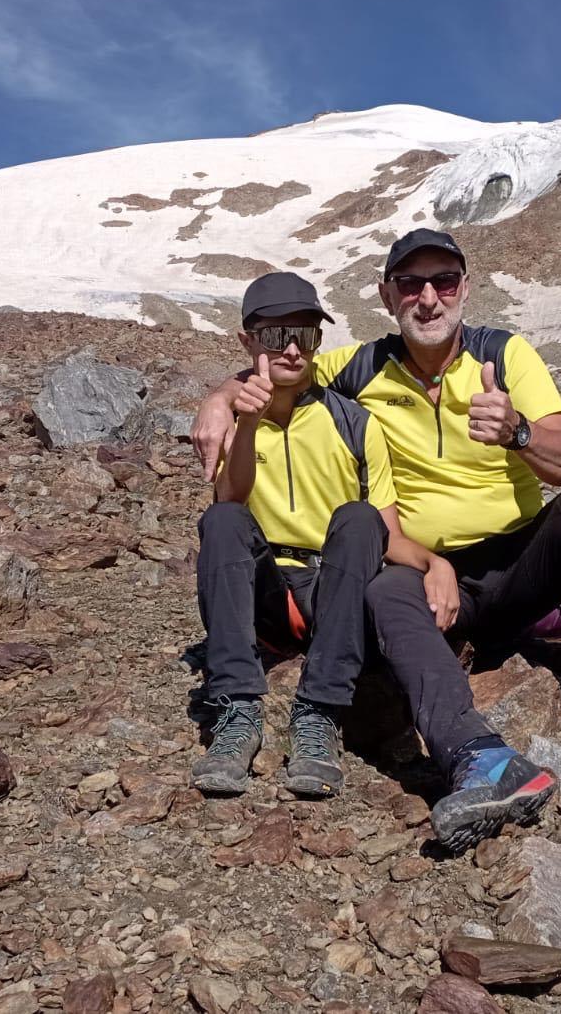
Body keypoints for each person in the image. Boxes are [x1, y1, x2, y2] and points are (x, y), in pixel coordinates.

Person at [195, 229, 561, 851]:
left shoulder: (506, 357)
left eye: (443, 282)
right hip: (426, 574)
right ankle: (477, 755)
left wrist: (517, 432)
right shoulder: (360, 366)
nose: (428, 298)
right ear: (387, 295)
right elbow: (277, 366)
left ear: (464, 288)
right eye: (410, 284)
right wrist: (218, 398)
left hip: (519, 564)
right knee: (384, 590)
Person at [193, 271, 457, 801]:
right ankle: (237, 709)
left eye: (307, 335)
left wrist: (435, 563)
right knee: (220, 521)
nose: (293, 349)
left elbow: (385, 533)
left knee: (358, 517)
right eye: (275, 336)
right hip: (266, 590)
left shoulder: (354, 422)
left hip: (331, 587)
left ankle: (319, 712)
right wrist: (246, 422)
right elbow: (230, 500)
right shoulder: (234, 418)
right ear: (248, 342)